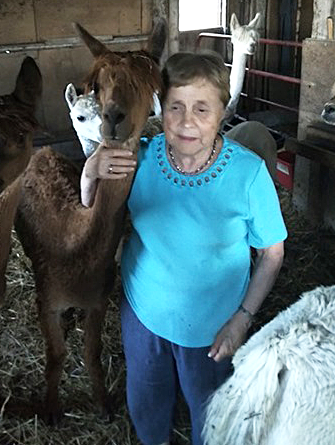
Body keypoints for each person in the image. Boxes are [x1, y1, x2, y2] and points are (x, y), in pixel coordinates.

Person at [80, 51, 287, 445]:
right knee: (146, 403)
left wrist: (243, 319)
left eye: (202, 109)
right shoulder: (138, 157)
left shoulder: (248, 174)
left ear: (223, 113)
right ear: (161, 107)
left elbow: (272, 255)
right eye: (176, 107)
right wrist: (89, 173)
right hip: (143, 316)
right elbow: (91, 211)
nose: (187, 121)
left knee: (209, 416)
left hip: (213, 330)